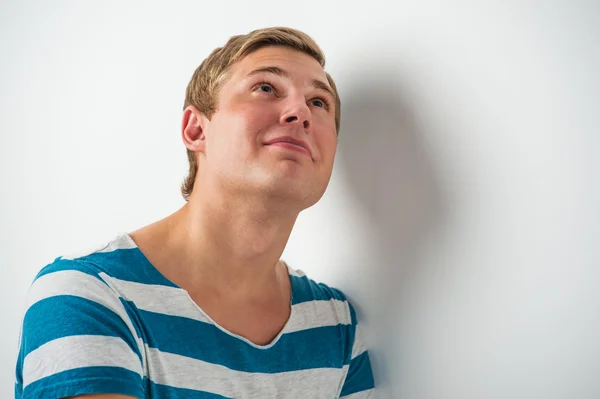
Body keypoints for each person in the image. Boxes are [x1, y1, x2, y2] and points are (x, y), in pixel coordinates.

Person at [15, 27, 375, 399]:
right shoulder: (87, 296)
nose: (300, 111)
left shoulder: (335, 325)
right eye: (266, 88)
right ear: (196, 129)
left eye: (319, 102)